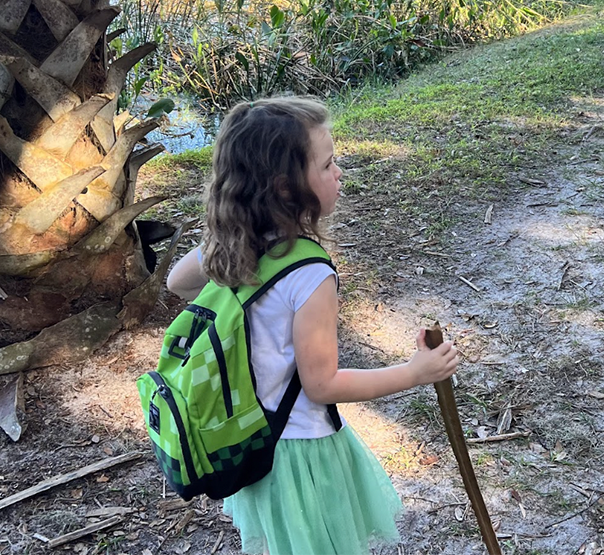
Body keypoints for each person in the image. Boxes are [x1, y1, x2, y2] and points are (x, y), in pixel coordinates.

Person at [165, 96, 459, 555]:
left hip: (256, 443)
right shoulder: (310, 273)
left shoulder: (241, 246)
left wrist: (230, 230)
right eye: (328, 164)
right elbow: (322, 385)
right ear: (286, 188)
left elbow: (176, 282)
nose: (339, 172)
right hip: (302, 453)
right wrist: (415, 372)